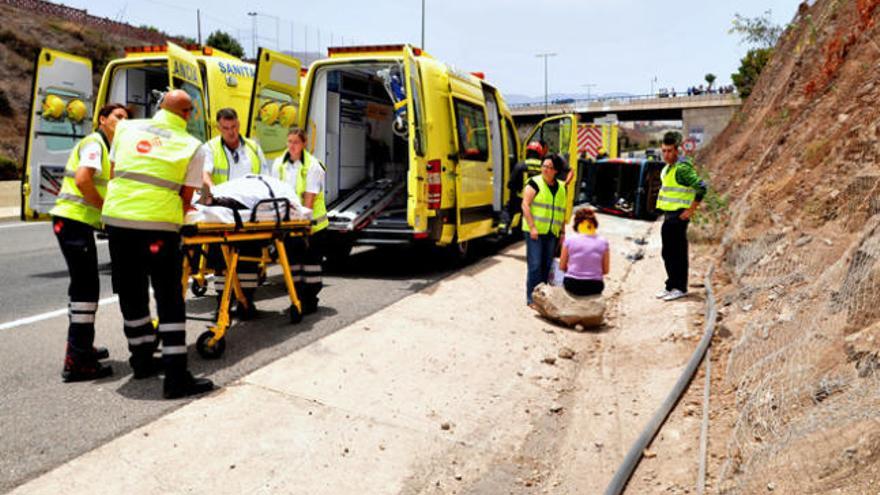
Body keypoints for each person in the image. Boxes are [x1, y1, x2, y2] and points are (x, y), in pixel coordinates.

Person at [102, 89, 214, 399]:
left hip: (118, 222)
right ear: (188, 114)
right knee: (169, 299)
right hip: (157, 227)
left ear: (159, 106)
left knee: (131, 291)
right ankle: (176, 378)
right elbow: (186, 198)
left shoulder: (126, 128)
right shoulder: (193, 146)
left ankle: (141, 362)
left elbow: (114, 174)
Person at [50, 103, 129, 382]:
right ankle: (77, 361)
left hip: (77, 222)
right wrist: (107, 212)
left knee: (84, 287)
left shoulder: (108, 148)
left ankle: (82, 347)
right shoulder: (95, 143)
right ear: (102, 119)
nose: (122, 122)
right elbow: (84, 181)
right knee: (85, 290)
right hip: (73, 220)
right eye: (118, 117)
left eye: (126, 118)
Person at [201, 108, 268, 314]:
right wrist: (213, 194)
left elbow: (264, 177)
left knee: (248, 258)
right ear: (219, 127)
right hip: (223, 209)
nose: (230, 132)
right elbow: (204, 174)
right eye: (225, 128)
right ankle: (223, 304)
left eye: (234, 127)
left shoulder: (253, 148)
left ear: (239, 124)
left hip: (249, 210)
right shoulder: (210, 148)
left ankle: (247, 302)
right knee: (221, 260)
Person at [272, 127, 327, 315]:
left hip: (312, 225)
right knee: (293, 265)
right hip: (289, 224)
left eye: (296, 142)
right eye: (289, 142)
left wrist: (304, 226)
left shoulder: (313, 166)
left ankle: (310, 301)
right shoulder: (279, 164)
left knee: (310, 266)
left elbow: (309, 200)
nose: (292, 146)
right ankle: (296, 299)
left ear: (304, 144)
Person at [655, 132, 707, 302]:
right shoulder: (667, 169)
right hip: (669, 216)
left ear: (677, 151)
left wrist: (691, 210)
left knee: (677, 253)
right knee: (668, 253)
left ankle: (680, 288)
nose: (666, 154)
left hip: (679, 216)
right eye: (664, 151)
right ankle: (671, 285)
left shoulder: (682, 168)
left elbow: (701, 187)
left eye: (669, 151)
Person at [522, 153, 568, 307]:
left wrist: (562, 232)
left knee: (546, 265)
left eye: (550, 167)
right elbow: (525, 205)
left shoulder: (561, 188)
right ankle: (532, 299)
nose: (546, 170)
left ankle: (543, 298)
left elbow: (562, 211)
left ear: (556, 171)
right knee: (535, 265)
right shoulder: (534, 183)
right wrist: (533, 227)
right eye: (544, 166)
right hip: (535, 232)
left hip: (552, 232)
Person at [559, 207, 609, 296]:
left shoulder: (569, 240)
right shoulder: (603, 242)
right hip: (595, 286)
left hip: (572, 284)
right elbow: (605, 270)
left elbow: (562, 267)